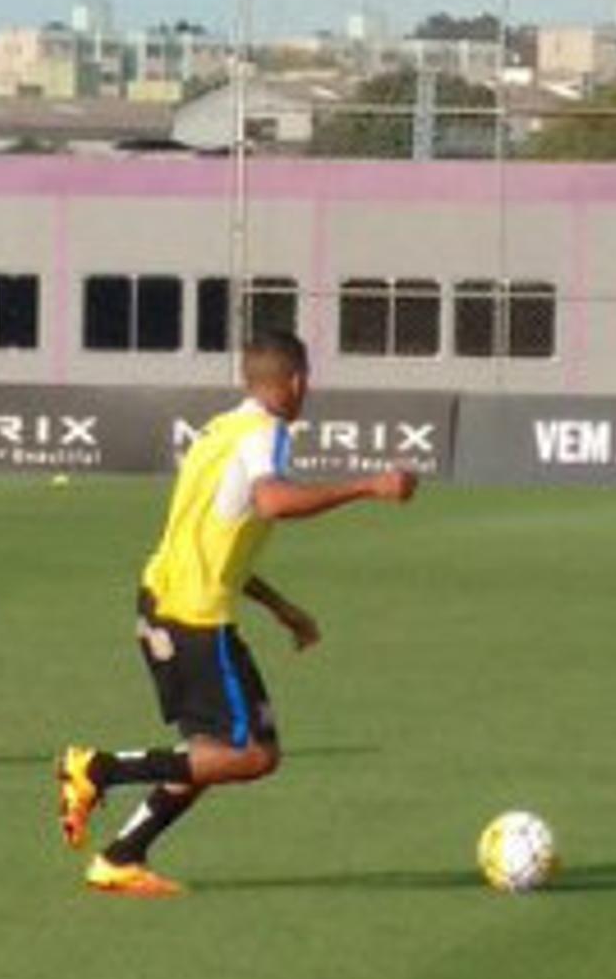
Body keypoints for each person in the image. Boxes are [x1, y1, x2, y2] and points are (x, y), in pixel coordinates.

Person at [53, 332, 417, 897]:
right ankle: (99, 769)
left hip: (161, 605)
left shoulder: (217, 433)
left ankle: (121, 857)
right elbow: (273, 501)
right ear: (296, 382)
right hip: (195, 620)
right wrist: (369, 485)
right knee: (251, 755)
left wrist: (280, 607)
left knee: (212, 754)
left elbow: (218, 540)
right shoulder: (266, 434)